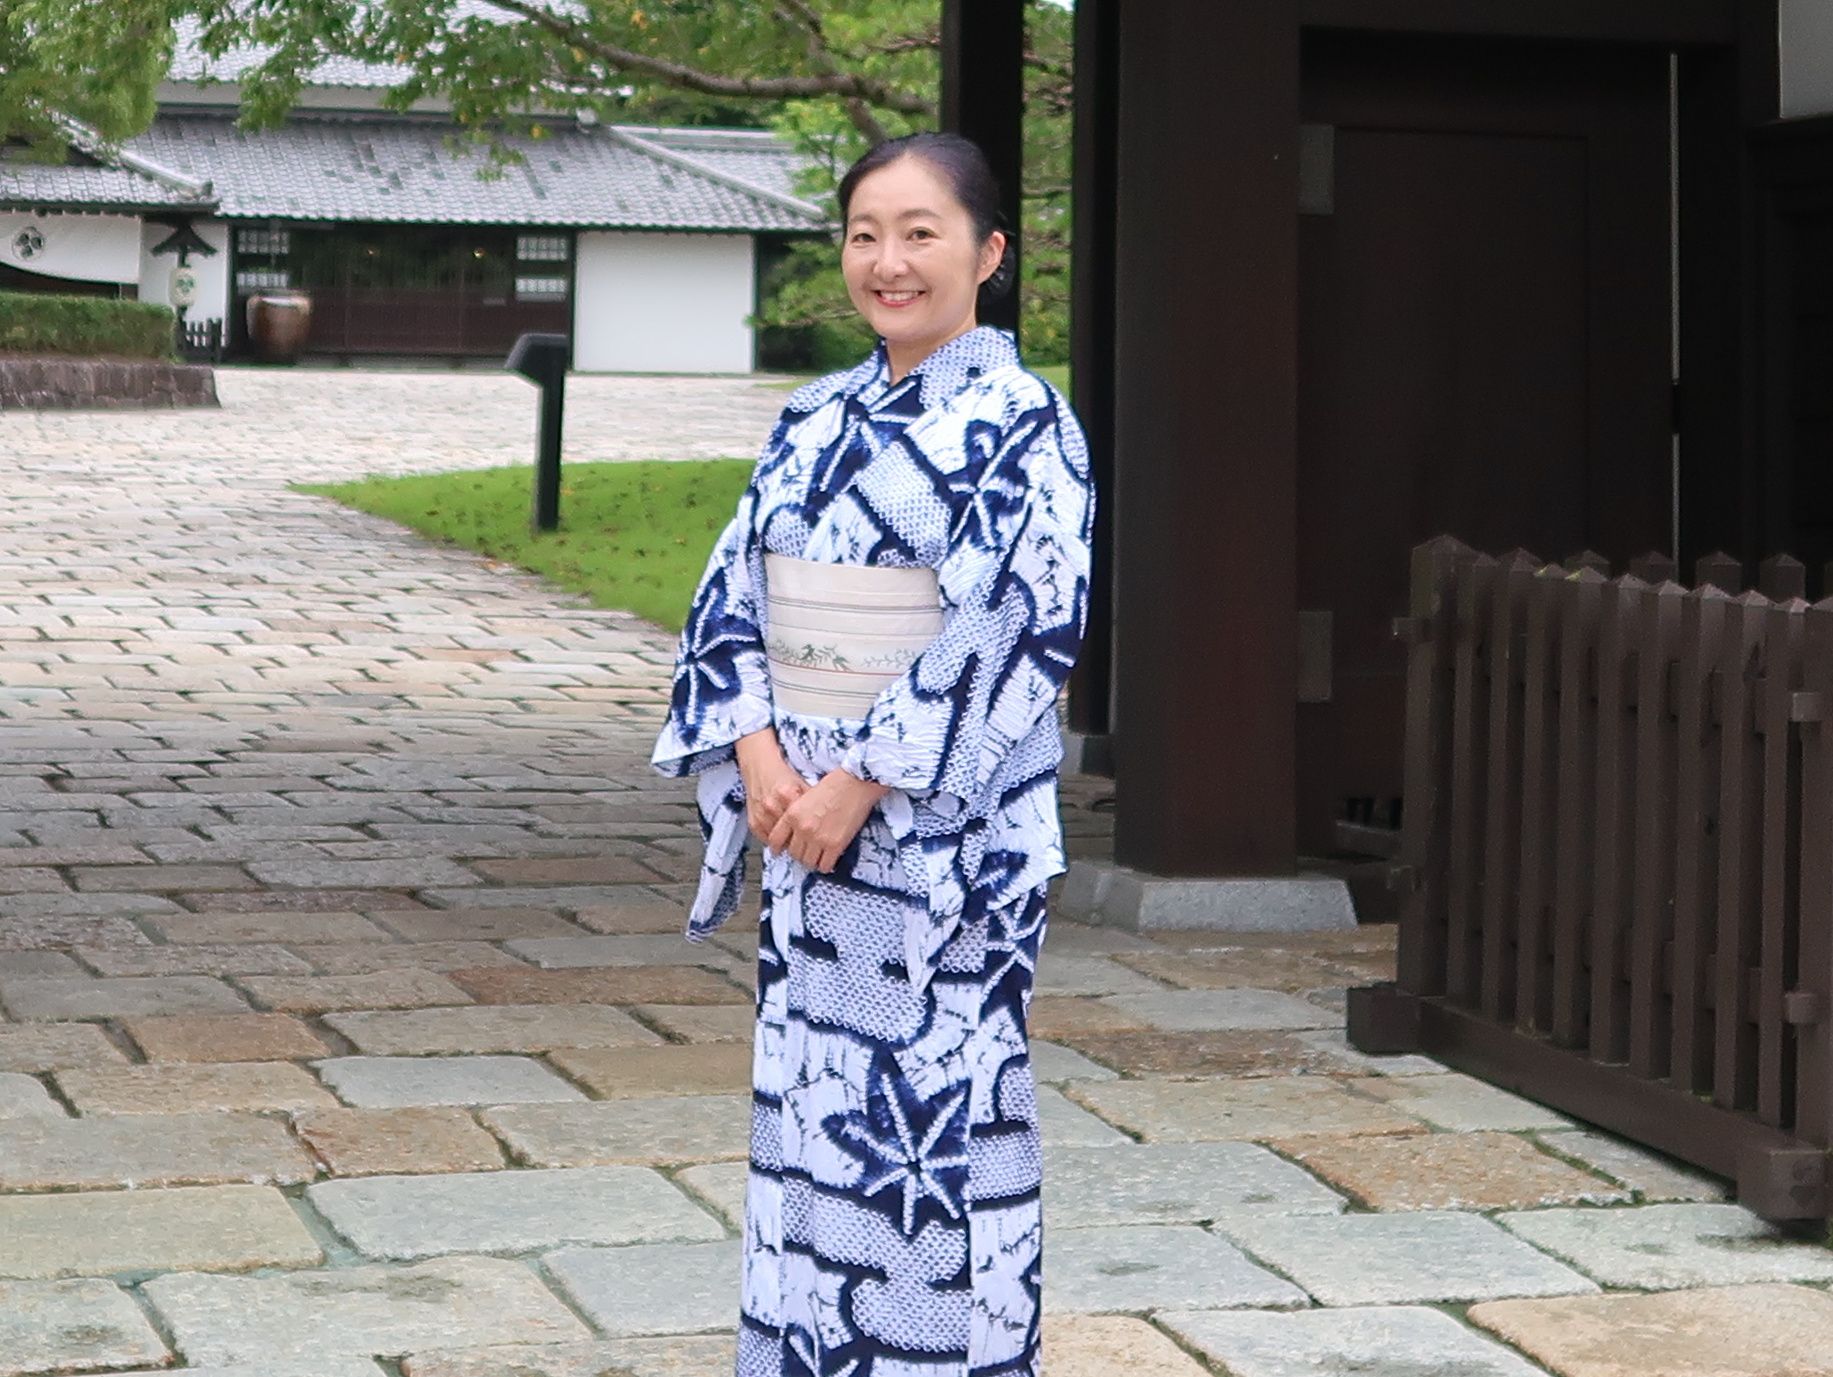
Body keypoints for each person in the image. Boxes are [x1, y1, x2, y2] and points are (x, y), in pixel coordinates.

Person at [653, 130, 1094, 1377]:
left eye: (921, 233)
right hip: (798, 817)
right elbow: (728, 590)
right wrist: (756, 756)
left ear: (989, 253)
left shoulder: (1025, 426)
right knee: (807, 1112)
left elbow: (1012, 625)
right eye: (865, 234)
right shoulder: (813, 415)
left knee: (935, 1121)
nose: (888, 261)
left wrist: (859, 780)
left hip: (939, 840)